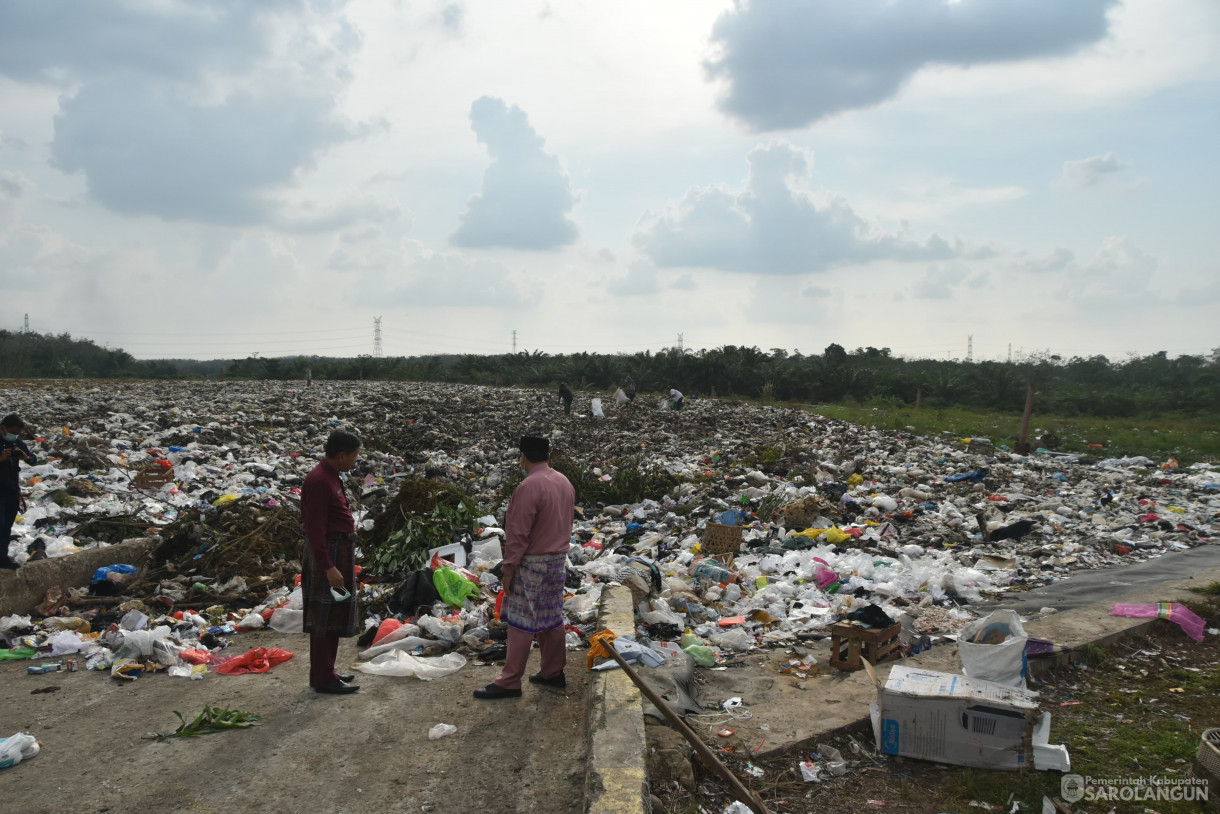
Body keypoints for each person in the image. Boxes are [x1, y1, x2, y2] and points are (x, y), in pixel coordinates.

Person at [474, 436, 575, 699]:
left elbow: (518, 534)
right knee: (551, 618)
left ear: (523, 457)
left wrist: (508, 569)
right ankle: (553, 672)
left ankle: (509, 681)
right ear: (548, 456)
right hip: (557, 562)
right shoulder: (564, 482)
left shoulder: (529, 486)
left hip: (533, 564)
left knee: (520, 621)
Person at [300, 430, 362, 694]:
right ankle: (323, 678)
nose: (354, 462)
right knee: (324, 616)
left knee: (335, 613)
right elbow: (314, 529)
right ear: (341, 456)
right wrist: (328, 566)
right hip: (329, 554)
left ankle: (327, 671)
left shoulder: (332, 476)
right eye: (354, 457)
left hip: (339, 550)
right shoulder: (319, 481)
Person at [1, 414, 36, 570]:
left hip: (11, 490)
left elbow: (34, 460)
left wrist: (25, 457)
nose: (14, 435)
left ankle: (2, 558)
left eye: (17, 433)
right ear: (3, 428)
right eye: (12, 432)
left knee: (7, 526)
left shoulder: (16, 442)